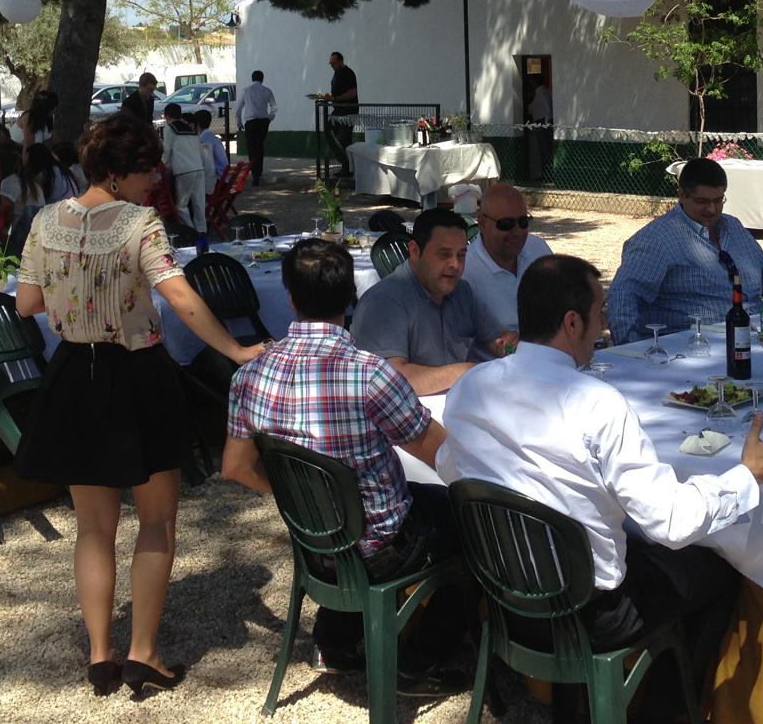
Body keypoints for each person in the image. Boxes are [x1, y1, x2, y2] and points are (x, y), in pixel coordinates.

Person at [438, 254, 763, 678]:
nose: (604, 325)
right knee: (718, 570)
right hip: (589, 613)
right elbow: (671, 523)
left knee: (634, 542)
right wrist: (747, 476)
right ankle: (665, 702)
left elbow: (452, 472)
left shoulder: (470, 386)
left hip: (502, 593)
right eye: (600, 312)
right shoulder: (596, 403)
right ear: (572, 323)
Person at [13, 113, 264, 697]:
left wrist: (74, 292)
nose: (155, 180)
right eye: (148, 170)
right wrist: (234, 350)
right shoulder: (139, 223)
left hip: (74, 373)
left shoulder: (46, 220)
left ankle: (100, 654)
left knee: (93, 528)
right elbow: (179, 295)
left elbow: (26, 302)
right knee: (156, 519)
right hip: (137, 373)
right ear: (119, 172)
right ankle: (143, 652)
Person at [222, 239, 465, 687]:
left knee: (394, 503)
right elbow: (443, 455)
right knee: (469, 521)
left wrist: (308, 497)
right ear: (351, 296)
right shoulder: (369, 374)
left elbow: (235, 467)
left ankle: (336, 640)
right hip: (383, 548)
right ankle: (420, 657)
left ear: (290, 297)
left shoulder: (248, 375)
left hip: (314, 542)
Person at [350, 208, 513, 394]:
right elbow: (389, 380)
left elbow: (499, 341)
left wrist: (516, 351)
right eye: (444, 254)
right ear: (414, 251)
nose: (455, 264)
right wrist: (465, 372)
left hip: (457, 404)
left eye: (461, 255)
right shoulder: (383, 302)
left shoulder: (463, 292)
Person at [606, 157, 763, 345]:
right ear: (681, 195)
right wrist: (633, 349)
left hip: (756, 336)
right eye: (702, 201)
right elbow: (623, 295)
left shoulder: (733, 226)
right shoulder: (658, 239)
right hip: (695, 347)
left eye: (718, 200)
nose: (712, 209)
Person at [461, 183, 552, 334]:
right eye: (506, 224)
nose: (517, 232)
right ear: (482, 224)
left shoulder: (538, 249)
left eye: (523, 222)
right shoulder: (465, 271)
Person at [160, 104, 207, 237]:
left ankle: (190, 232)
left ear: (167, 116)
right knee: (199, 203)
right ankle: (202, 231)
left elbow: (167, 149)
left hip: (184, 170)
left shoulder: (169, 128)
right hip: (199, 168)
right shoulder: (191, 129)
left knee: (181, 206)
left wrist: (162, 164)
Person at [235, 70, 278, 185]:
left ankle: (254, 173)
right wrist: (269, 118)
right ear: (262, 79)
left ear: (252, 78)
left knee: (251, 148)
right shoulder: (267, 90)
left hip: (250, 123)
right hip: (263, 122)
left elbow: (238, 109)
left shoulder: (246, 90)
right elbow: (274, 107)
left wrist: (239, 123)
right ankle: (258, 173)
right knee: (260, 147)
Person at [322, 51, 358, 178]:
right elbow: (338, 91)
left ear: (340, 61)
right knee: (330, 133)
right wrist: (330, 96)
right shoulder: (337, 73)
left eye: (334, 63)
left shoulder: (348, 73)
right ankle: (344, 165)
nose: (332, 65)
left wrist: (336, 98)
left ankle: (347, 168)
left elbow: (352, 93)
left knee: (344, 140)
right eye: (331, 63)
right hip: (338, 111)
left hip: (348, 112)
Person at [194, 108, 228, 181]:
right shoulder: (213, 138)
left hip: (217, 178)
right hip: (223, 176)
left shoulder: (204, 140)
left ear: (196, 124)